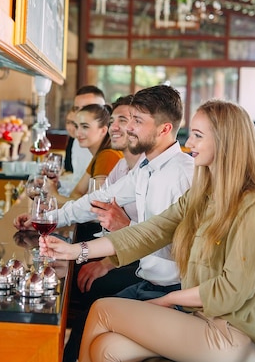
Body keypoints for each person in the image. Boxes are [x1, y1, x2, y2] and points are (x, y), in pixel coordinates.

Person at [41, 99, 255, 362]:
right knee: (107, 348)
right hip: (197, 317)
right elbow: (149, 232)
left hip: (231, 333)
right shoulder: (202, 194)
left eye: (198, 136)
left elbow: (233, 289)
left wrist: (168, 299)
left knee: (102, 309)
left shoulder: (253, 203)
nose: (189, 144)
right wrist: (75, 250)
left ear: (226, 140)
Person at [15, 84, 193, 305]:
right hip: (147, 283)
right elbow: (98, 199)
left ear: (164, 129)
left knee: (87, 306)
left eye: (137, 121)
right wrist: (49, 219)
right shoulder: (146, 167)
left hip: (175, 293)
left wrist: (118, 232)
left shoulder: (182, 174)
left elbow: (182, 250)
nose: (129, 129)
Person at [62, 94, 144, 362]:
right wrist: (50, 217)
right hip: (132, 256)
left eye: (124, 120)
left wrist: (104, 260)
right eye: (114, 120)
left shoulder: (156, 171)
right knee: (75, 279)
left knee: (89, 287)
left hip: (155, 270)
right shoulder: (122, 165)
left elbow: (158, 242)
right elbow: (89, 203)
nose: (115, 128)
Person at [46, 104, 122, 203]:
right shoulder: (99, 155)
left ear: (103, 130)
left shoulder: (108, 156)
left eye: (85, 127)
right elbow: (76, 193)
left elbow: (93, 206)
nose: (77, 133)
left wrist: (54, 195)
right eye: (77, 126)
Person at [59, 86, 105, 196]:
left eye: (87, 108)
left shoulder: (110, 149)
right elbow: (77, 183)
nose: (79, 114)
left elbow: (93, 201)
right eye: (76, 109)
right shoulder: (77, 140)